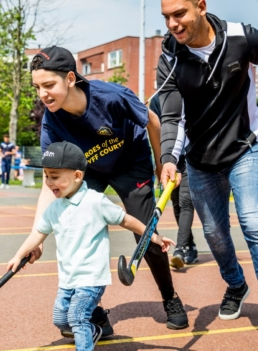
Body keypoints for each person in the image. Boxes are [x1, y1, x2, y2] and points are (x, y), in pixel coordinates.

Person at [28, 45, 189, 334]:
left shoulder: (111, 96)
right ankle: (95, 312)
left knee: (145, 230)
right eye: (37, 87)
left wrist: (160, 162)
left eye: (48, 85)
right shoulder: (51, 121)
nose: (43, 94)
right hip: (89, 170)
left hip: (131, 161)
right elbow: (48, 184)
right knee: (75, 226)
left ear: (70, 78)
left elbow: (152, 120)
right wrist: (36, 236)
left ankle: (169, 297)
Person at [7, 142, 174, 351]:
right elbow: (38, 235)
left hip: (91, 277)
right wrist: (19, 254)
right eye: (46, 177)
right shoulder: (54, 209)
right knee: (61, 320)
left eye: (55, 177)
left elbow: (127, 220)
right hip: (68, 278)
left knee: (76, 316)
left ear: (77, 175)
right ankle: (94, 328)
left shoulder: (96, 202)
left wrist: (154, 236)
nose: (49, 182)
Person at [158, 0, 258, 320]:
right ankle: (235, 285)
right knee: (214, 234)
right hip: (200, 159)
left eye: (179, 14)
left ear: (200, 6)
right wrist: (168, 159)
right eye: (167, 17)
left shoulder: (242, 37)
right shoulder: (171, 57)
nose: (173, 24)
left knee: (254, 223)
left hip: (245, 147)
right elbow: (172, 117)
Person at [150, 94, 198, 268]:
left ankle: (180, 248)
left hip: (191, 157)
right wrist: (161, 162)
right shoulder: (158, 100)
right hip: (171, 158)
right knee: (177, 203)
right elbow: (156, 131)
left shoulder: (192, 91)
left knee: (186, 201)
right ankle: (190, 245)